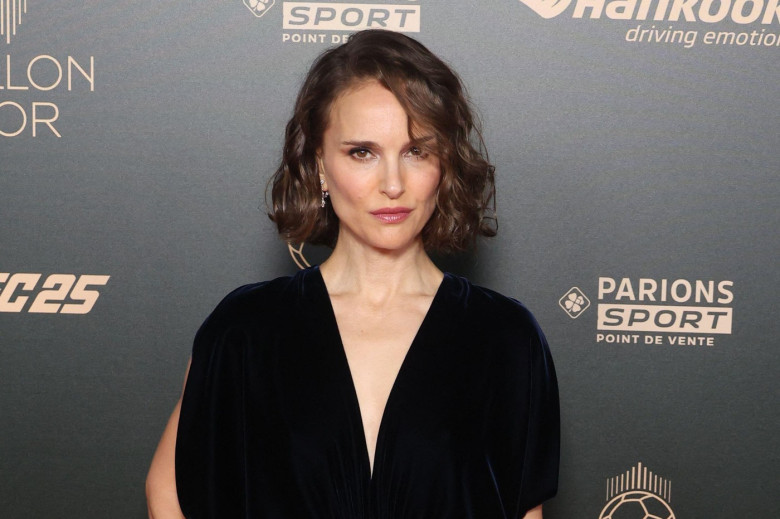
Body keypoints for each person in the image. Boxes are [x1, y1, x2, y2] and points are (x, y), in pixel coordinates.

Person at [146, 29, 559, 519]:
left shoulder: (503, 338)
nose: (392, 184)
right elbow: (167, 491)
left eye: (416, 151)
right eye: (362, 152)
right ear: (319, 166)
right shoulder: (247, 330)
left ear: (445, 164)